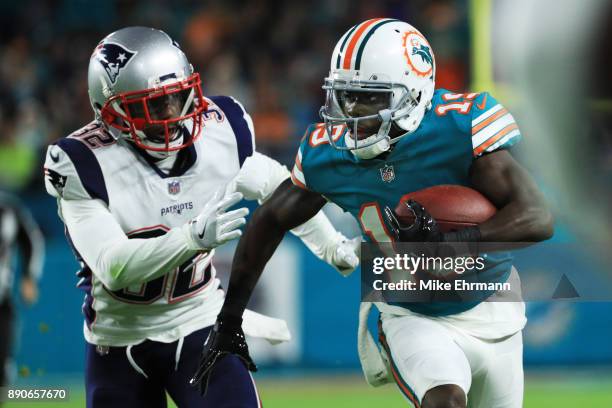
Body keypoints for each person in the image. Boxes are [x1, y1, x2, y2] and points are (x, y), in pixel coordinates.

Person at [192, 19, 554, 408]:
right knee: (445, 401)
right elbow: (270, 219)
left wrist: (460, 243)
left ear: (413, 95)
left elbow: (537, 216)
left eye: (369, 98)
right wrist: (229, 320)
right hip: (410, 314)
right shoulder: (329, 155)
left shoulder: (458, 128)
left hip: (493, 306)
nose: (351, 112)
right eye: (345, 96)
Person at [43, 27, 359, 408]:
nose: (173, 115)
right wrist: (191, 239)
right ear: (111, 111)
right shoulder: (81, 164)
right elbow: (114, 267)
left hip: (200, 324)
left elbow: (278, 187)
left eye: (178, 97)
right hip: (119, 343)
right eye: (153, 105)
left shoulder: (217, 133)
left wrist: (330, 245)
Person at [0, 191, 44, 390]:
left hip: (2, 298)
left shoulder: (8, 208)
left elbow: (31, 240)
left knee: (3, 361)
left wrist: (29, 276)